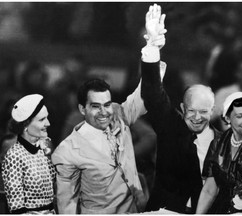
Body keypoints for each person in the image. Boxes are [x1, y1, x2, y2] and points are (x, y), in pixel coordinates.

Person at [140, 4, 222, 213]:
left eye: (203, 112)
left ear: (212, 111)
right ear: (182, 108)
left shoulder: (225, 143)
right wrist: (152, 47)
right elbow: (153, 95)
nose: (196, 117)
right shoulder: (172, 128)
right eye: (191, 110)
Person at [52, 79, 147, 213]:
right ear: (82, 109)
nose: (103, 112)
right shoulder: (66, 152)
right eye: (96, 106)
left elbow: (144, 95)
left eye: (107, 105)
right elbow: (67, 206)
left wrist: (152, 61)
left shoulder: (119, 118)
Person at [1, 94, 56, 214]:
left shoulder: (44, 149)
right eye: (42, 119)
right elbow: (16, 207)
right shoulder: (14, 155)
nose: (48, 123)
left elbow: (53, 188)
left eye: (46, 118)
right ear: (25, 124)